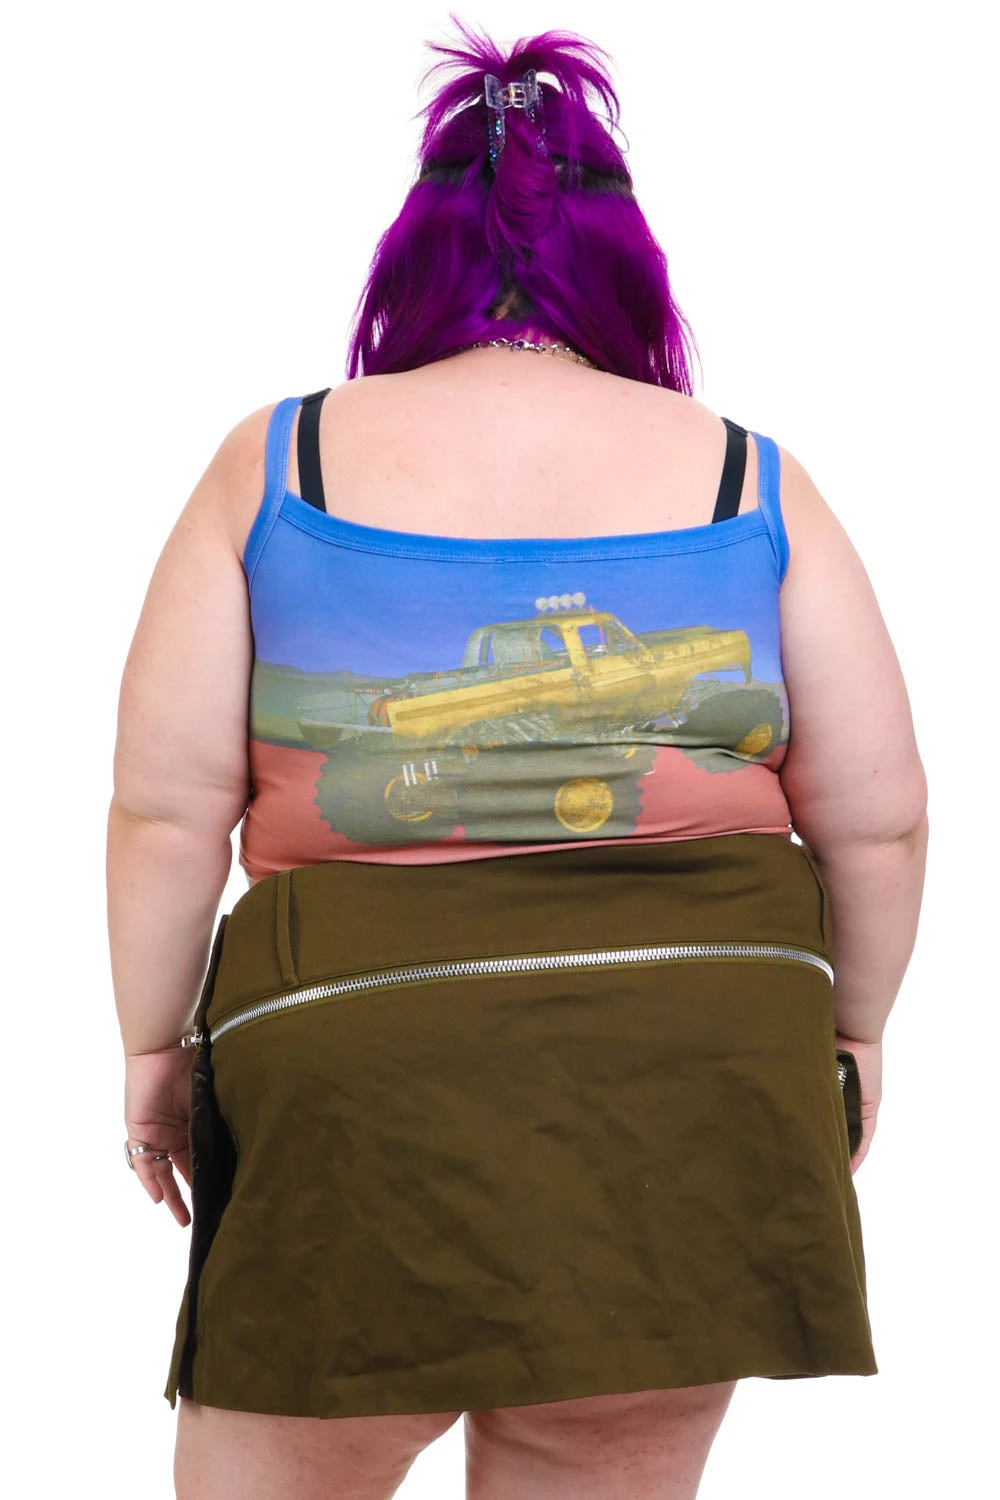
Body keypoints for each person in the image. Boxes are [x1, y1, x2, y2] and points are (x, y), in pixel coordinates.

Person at [107, 19, 928, 1500]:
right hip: (698, 1049)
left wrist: (155, 1048)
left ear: (408, 267)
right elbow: (878, 822)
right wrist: (854, 1033)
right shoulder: (747, 474)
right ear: (627, 272)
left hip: (360, 1049)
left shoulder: (278, 461)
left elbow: (168, 811)